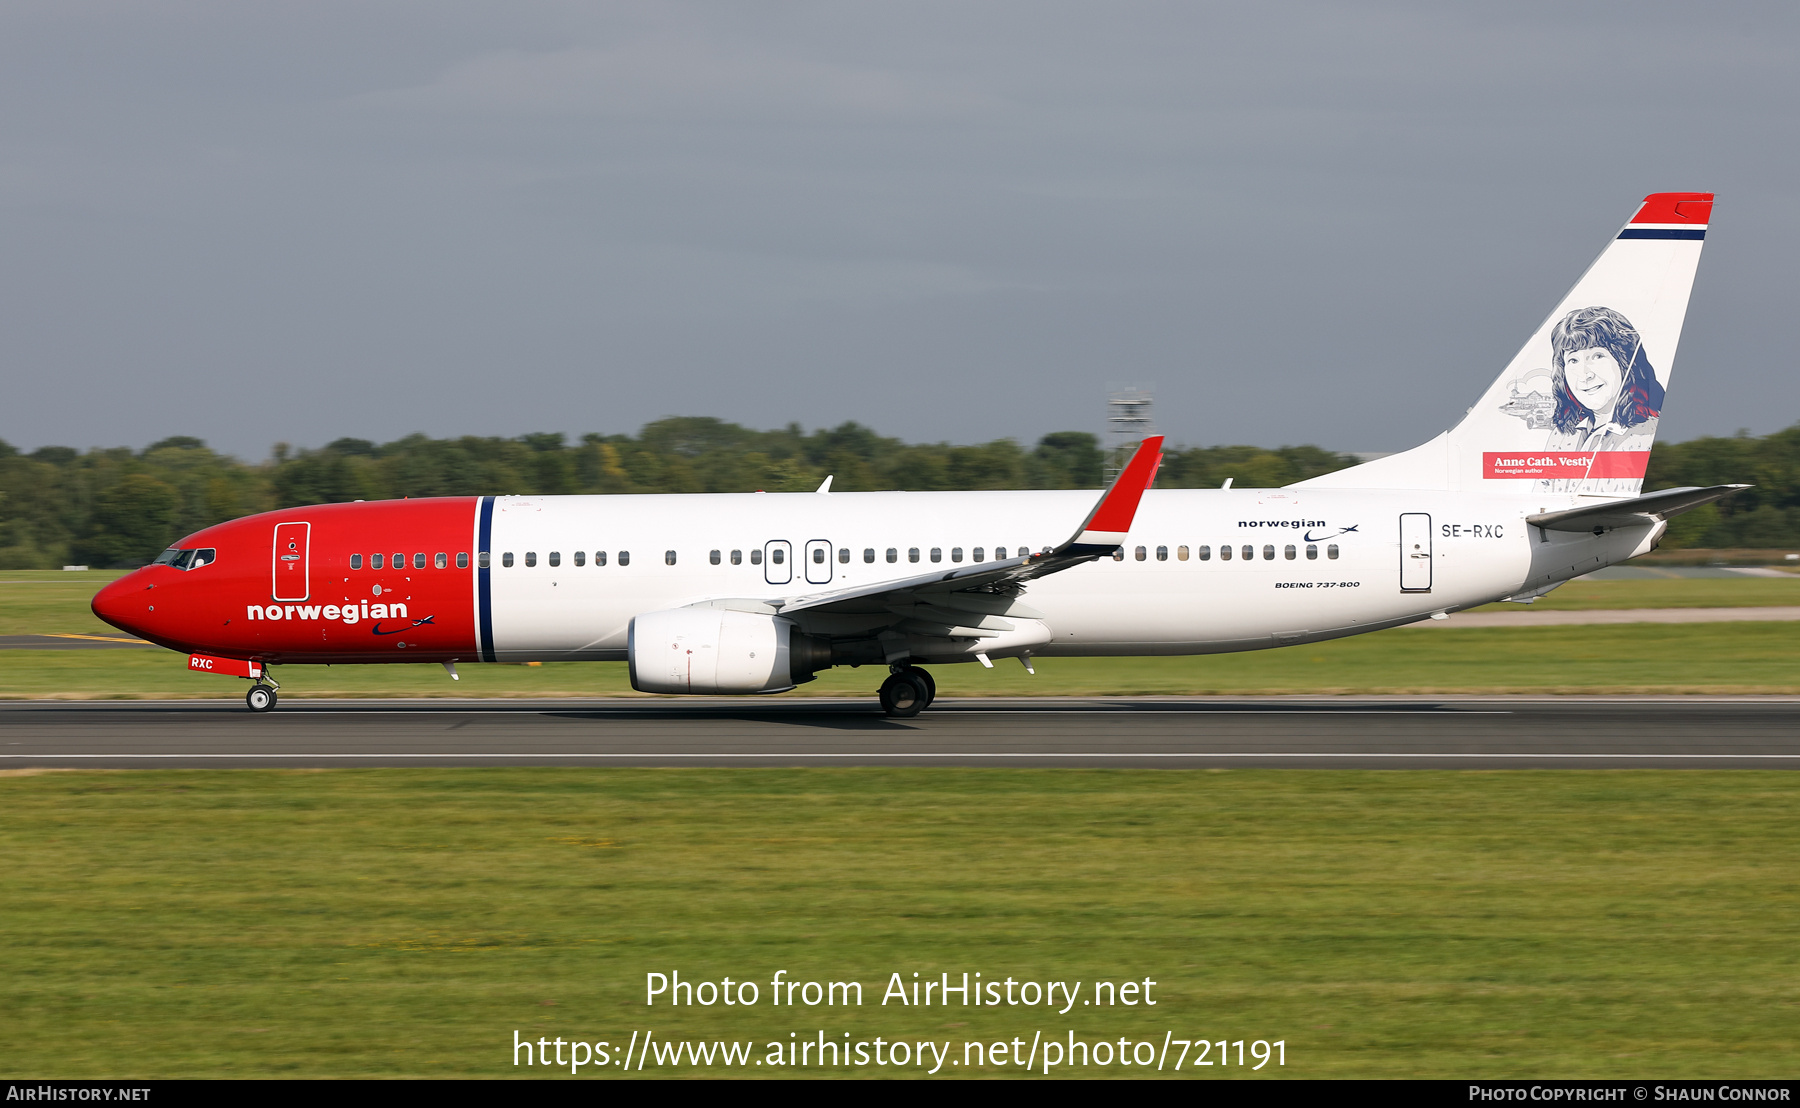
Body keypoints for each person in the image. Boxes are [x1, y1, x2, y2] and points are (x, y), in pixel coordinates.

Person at [1541, 306, 1662, 493]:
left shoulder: (1643, 435)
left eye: (1597, 356)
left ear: (1625, 362)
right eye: (1573, 360)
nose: (1584, 374)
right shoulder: (1563, 434)